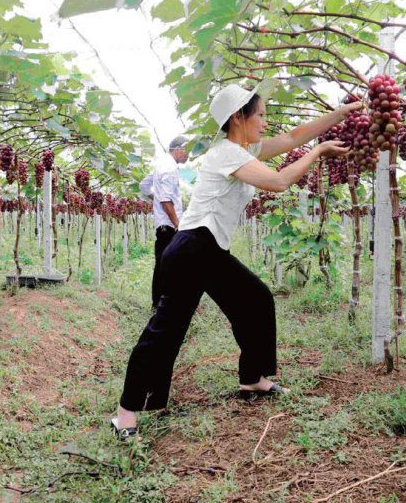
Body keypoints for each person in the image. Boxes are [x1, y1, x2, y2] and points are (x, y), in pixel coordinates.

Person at [112, 83, 361, 440]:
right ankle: (126, 413)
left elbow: (293, 137)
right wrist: (319, 150)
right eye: (260, 115)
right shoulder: (225, 153)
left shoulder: (245, 149)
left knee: (256, 300)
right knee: (167, 330)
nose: (265, 121)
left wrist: (338, 115)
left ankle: (252, 380)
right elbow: (279, 182)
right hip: (191, 250)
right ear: (237, 118)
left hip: (208, 249)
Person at [138, 135, 189, 310]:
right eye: (187, 151)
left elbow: (143, 186)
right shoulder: (169, 168)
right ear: (178, 149)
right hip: (169, 225)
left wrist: (156, 198)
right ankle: (161, 305)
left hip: (162, 225)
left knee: (162, 263)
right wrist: (177, 224)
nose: (188, 156)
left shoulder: (161, 164)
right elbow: (166, 200)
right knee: (168, 265)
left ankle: (159, 304)